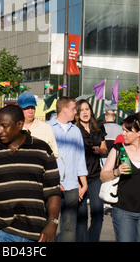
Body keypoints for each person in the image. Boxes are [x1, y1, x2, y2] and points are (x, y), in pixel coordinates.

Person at [0, 104, 61, 243]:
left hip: (36, 233)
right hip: (0, 232)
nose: (0, 130)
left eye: (5, 126)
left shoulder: (42, 150)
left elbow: (53, 191)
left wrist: (52, 223)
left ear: (19, 124)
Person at [100, 112, 140, 242]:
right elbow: (103, 176)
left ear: (139, 133)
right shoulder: (118, 149)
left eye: (127, 131)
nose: (123, 133)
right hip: (123, 211)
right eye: (123, 130)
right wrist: (116, 172)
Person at [47, 96, 88, 242]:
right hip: (51, 185)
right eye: (73, 109)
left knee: (69, 227)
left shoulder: (75, 130)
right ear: (64, 110)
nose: (75, 112)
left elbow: (79, 157)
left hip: (71, 185)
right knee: (48, 225)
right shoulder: (48, 128)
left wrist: (84, 182)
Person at [75, 99, 107, 242]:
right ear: (77, 113)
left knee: (98, 215)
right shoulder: (74, 129)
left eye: (87, 109)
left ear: (91, 111)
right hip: (78, 177)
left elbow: (105, 151)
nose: (85, 112)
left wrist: (100, 150)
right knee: (81, 217)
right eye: (81, 110)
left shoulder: (98, 126)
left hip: (95, 176)